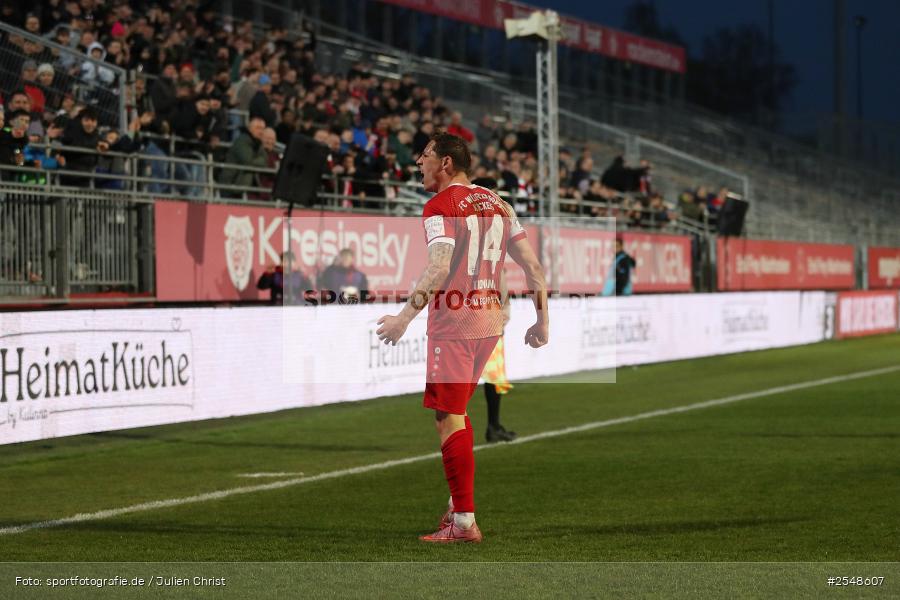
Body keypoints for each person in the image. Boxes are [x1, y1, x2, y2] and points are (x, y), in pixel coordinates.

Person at [376, 133, 549, 544]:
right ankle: (457, 507)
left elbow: (438, 268)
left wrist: (403, 318)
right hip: (490, 321)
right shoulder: (500, 203)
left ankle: (465, 522)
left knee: (447, 416)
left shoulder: (441, 205)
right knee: (459, 412)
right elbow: (534, 268)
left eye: (425, 155)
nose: (419, 162)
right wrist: (542, 321)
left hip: (454, 324)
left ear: (446, 163)